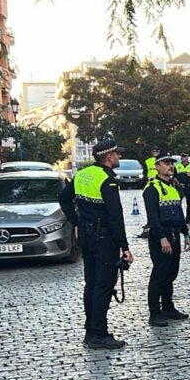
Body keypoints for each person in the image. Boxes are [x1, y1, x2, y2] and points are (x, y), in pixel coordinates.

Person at [59, 140, 135, 349]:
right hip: (104, 239)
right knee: (104, 285)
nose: (119, 157)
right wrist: (124, 246)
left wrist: (76, 221)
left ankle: (90, 329)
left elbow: (64, 197)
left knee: (91, 284)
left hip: (86, 236)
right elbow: (115, 216)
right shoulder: (107, 180)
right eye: (117, 154)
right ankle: (98, 333)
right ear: (109, 157)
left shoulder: (82, 175)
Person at [143, 155, 190, 327]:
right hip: (160, 237)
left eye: (171, 163)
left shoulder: (174, 186)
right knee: (160, 274)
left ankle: (168, 307)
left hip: (175, 235)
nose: (170, 166)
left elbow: (179, 212)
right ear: (157, 166)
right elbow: (153, 218)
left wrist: (186, 233)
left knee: (171, 273)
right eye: (166, 163)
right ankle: (155, 312)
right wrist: (162, 238)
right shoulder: (152, 188)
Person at [175, 154, 190, 220]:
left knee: (189, 203)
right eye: (181, 156)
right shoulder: (177, 166)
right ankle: (179, 217)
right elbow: (174, 176)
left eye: (184, 156)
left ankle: (188, 218)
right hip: (180, 186)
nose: (182, 158)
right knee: (178, 203)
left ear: (187, 157)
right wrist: (177, 183)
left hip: (189, 186)